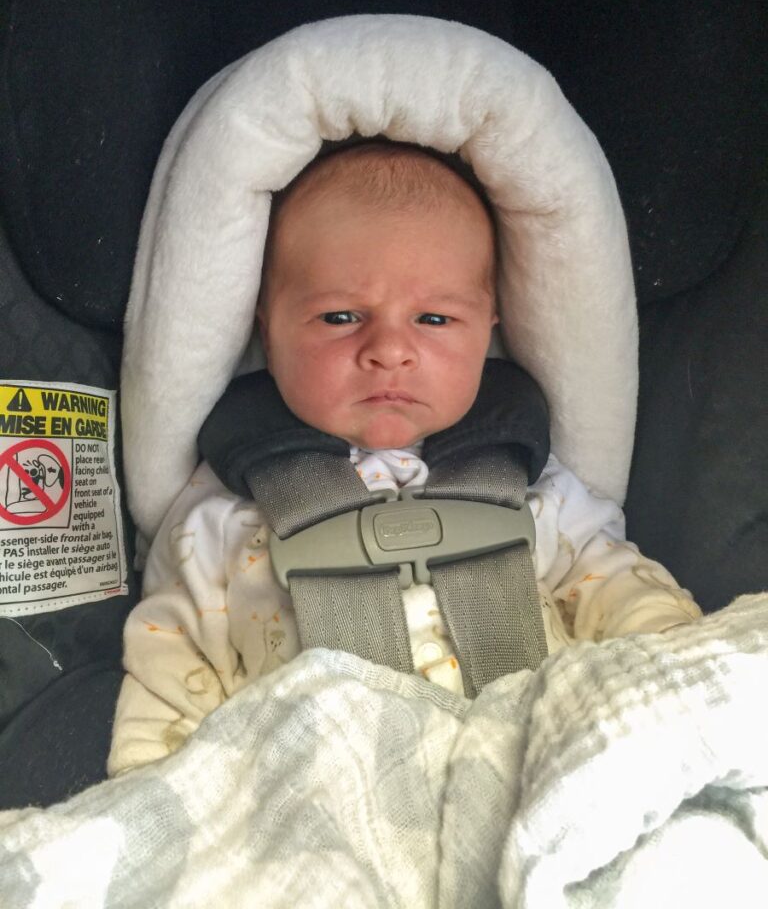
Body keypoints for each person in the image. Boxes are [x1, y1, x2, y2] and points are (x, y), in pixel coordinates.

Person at [108, 143, 700, 775]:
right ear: (265, 325)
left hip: (541, 770)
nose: (390, 349)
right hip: (314, 805)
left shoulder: (537, 489)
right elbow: (170, 664)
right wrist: (149, 795)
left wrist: (685, 674)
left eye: (435, 318)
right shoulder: (217, 516)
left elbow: (622, 595)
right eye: (339, 317)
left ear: (489, 325)